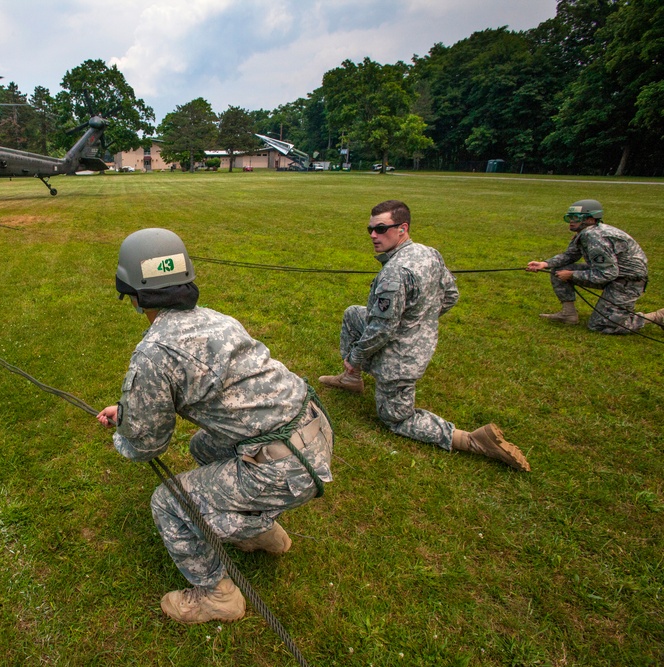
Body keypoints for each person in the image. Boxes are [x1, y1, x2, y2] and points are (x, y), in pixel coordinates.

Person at [97, 228, 333, 625]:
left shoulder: (155, 353)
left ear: (133, 294)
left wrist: (126, 432)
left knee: (169, 503)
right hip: (313, 434)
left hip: (283, 466)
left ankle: (216, 596)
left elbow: (146, 445)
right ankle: (258, 533)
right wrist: (129, 410)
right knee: (205, 448)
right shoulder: (217, 321)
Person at [319, 200, 530, 471]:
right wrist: (420, 322)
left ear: (402, 228)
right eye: (370, 229)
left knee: (397, 419)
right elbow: (451, 296)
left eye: (381, 229)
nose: (373, 235)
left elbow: (381, 330)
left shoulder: (395, 272)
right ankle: (351, 380)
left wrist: (356, 356)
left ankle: (473, 440)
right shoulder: (429, 253)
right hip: (418, 342)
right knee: (353, 313)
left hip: (400, 360)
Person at [526, 199, 663, 332]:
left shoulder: (595, 237)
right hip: (610, 274)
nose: (571, 221)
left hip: (627, 281)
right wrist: (544, 264)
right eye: (569, 217)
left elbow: (608, 273)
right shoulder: (585, 233)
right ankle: (568, 314)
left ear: (591, 219)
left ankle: (657, 317)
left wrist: (572, 275)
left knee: (602, 326)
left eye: (576, 217)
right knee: (559, 270)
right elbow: (570, 256)